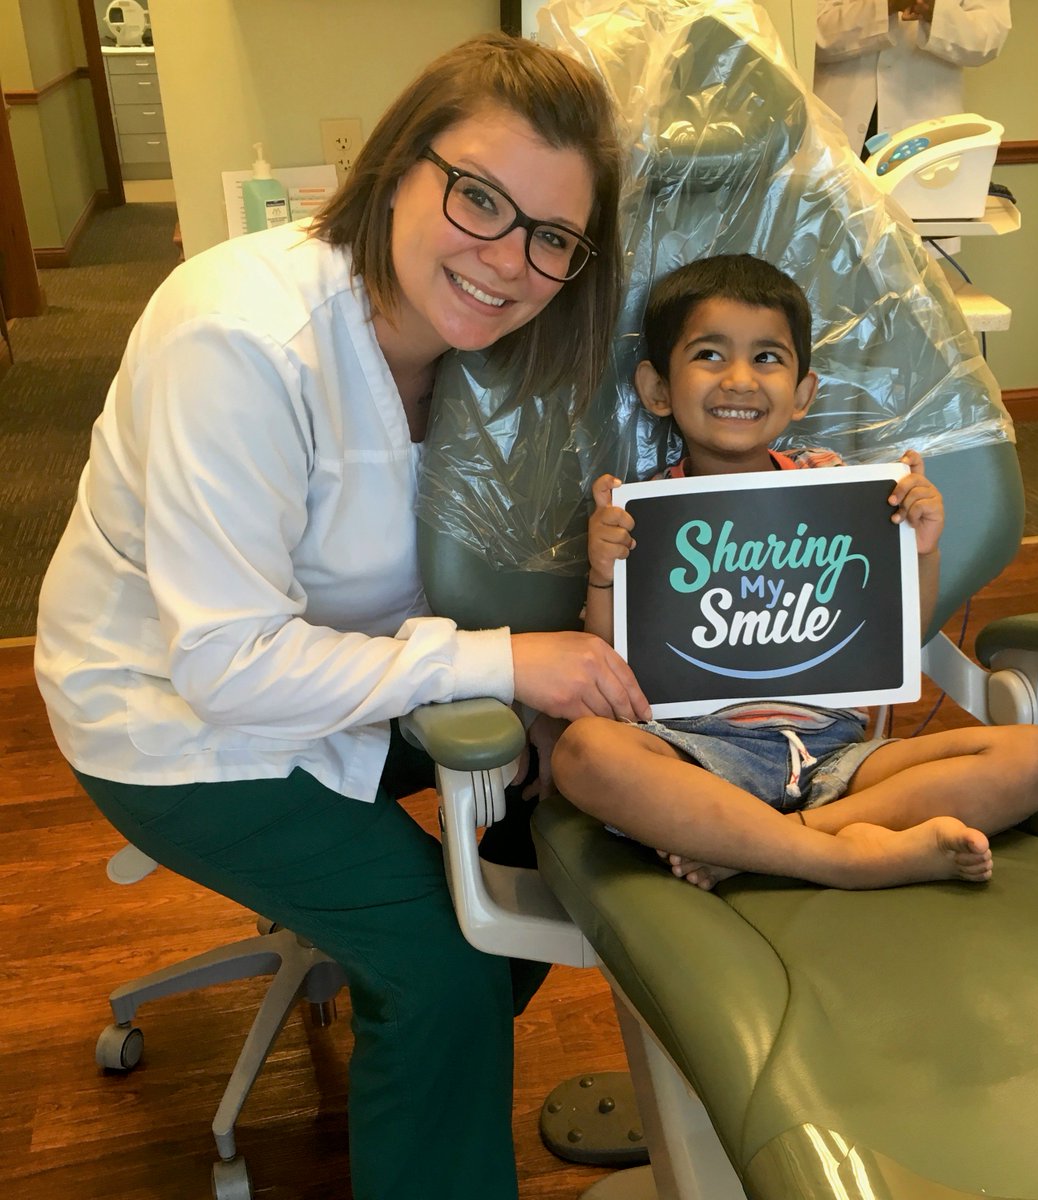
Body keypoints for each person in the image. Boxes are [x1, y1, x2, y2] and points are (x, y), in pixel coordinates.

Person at [34, 33, 651, 1200]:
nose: (505, 260)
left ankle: (414, 1044)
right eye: (478, 197)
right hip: (176, 724)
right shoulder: (241, 340)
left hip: (349, 671)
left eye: (551, 238)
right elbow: (227, 667)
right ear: (394, 168)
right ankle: (420, 1014)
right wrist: (504, 666)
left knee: (556, 837)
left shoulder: (491, 354)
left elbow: (453, 573)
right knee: (447, 967)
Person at [551, 254, 1038, 891]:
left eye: (767, 358)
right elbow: (610, 661)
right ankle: (845, 859)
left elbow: (898, 634)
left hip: (839, 753)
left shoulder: (838, 490)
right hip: (702, 755)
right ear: (657, 388)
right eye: (709, 354)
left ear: (802, 394)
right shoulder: (638, 509)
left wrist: (920, 547)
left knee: (1032, 757)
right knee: (586, 751)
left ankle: (760, 845)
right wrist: (603, 571)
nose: (739, 379)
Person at [814, 0, 1011, 157]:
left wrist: (934, 10)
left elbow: (987, 41)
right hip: (837, 126)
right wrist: (887, 6)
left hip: (925, 131)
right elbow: (812, 34)